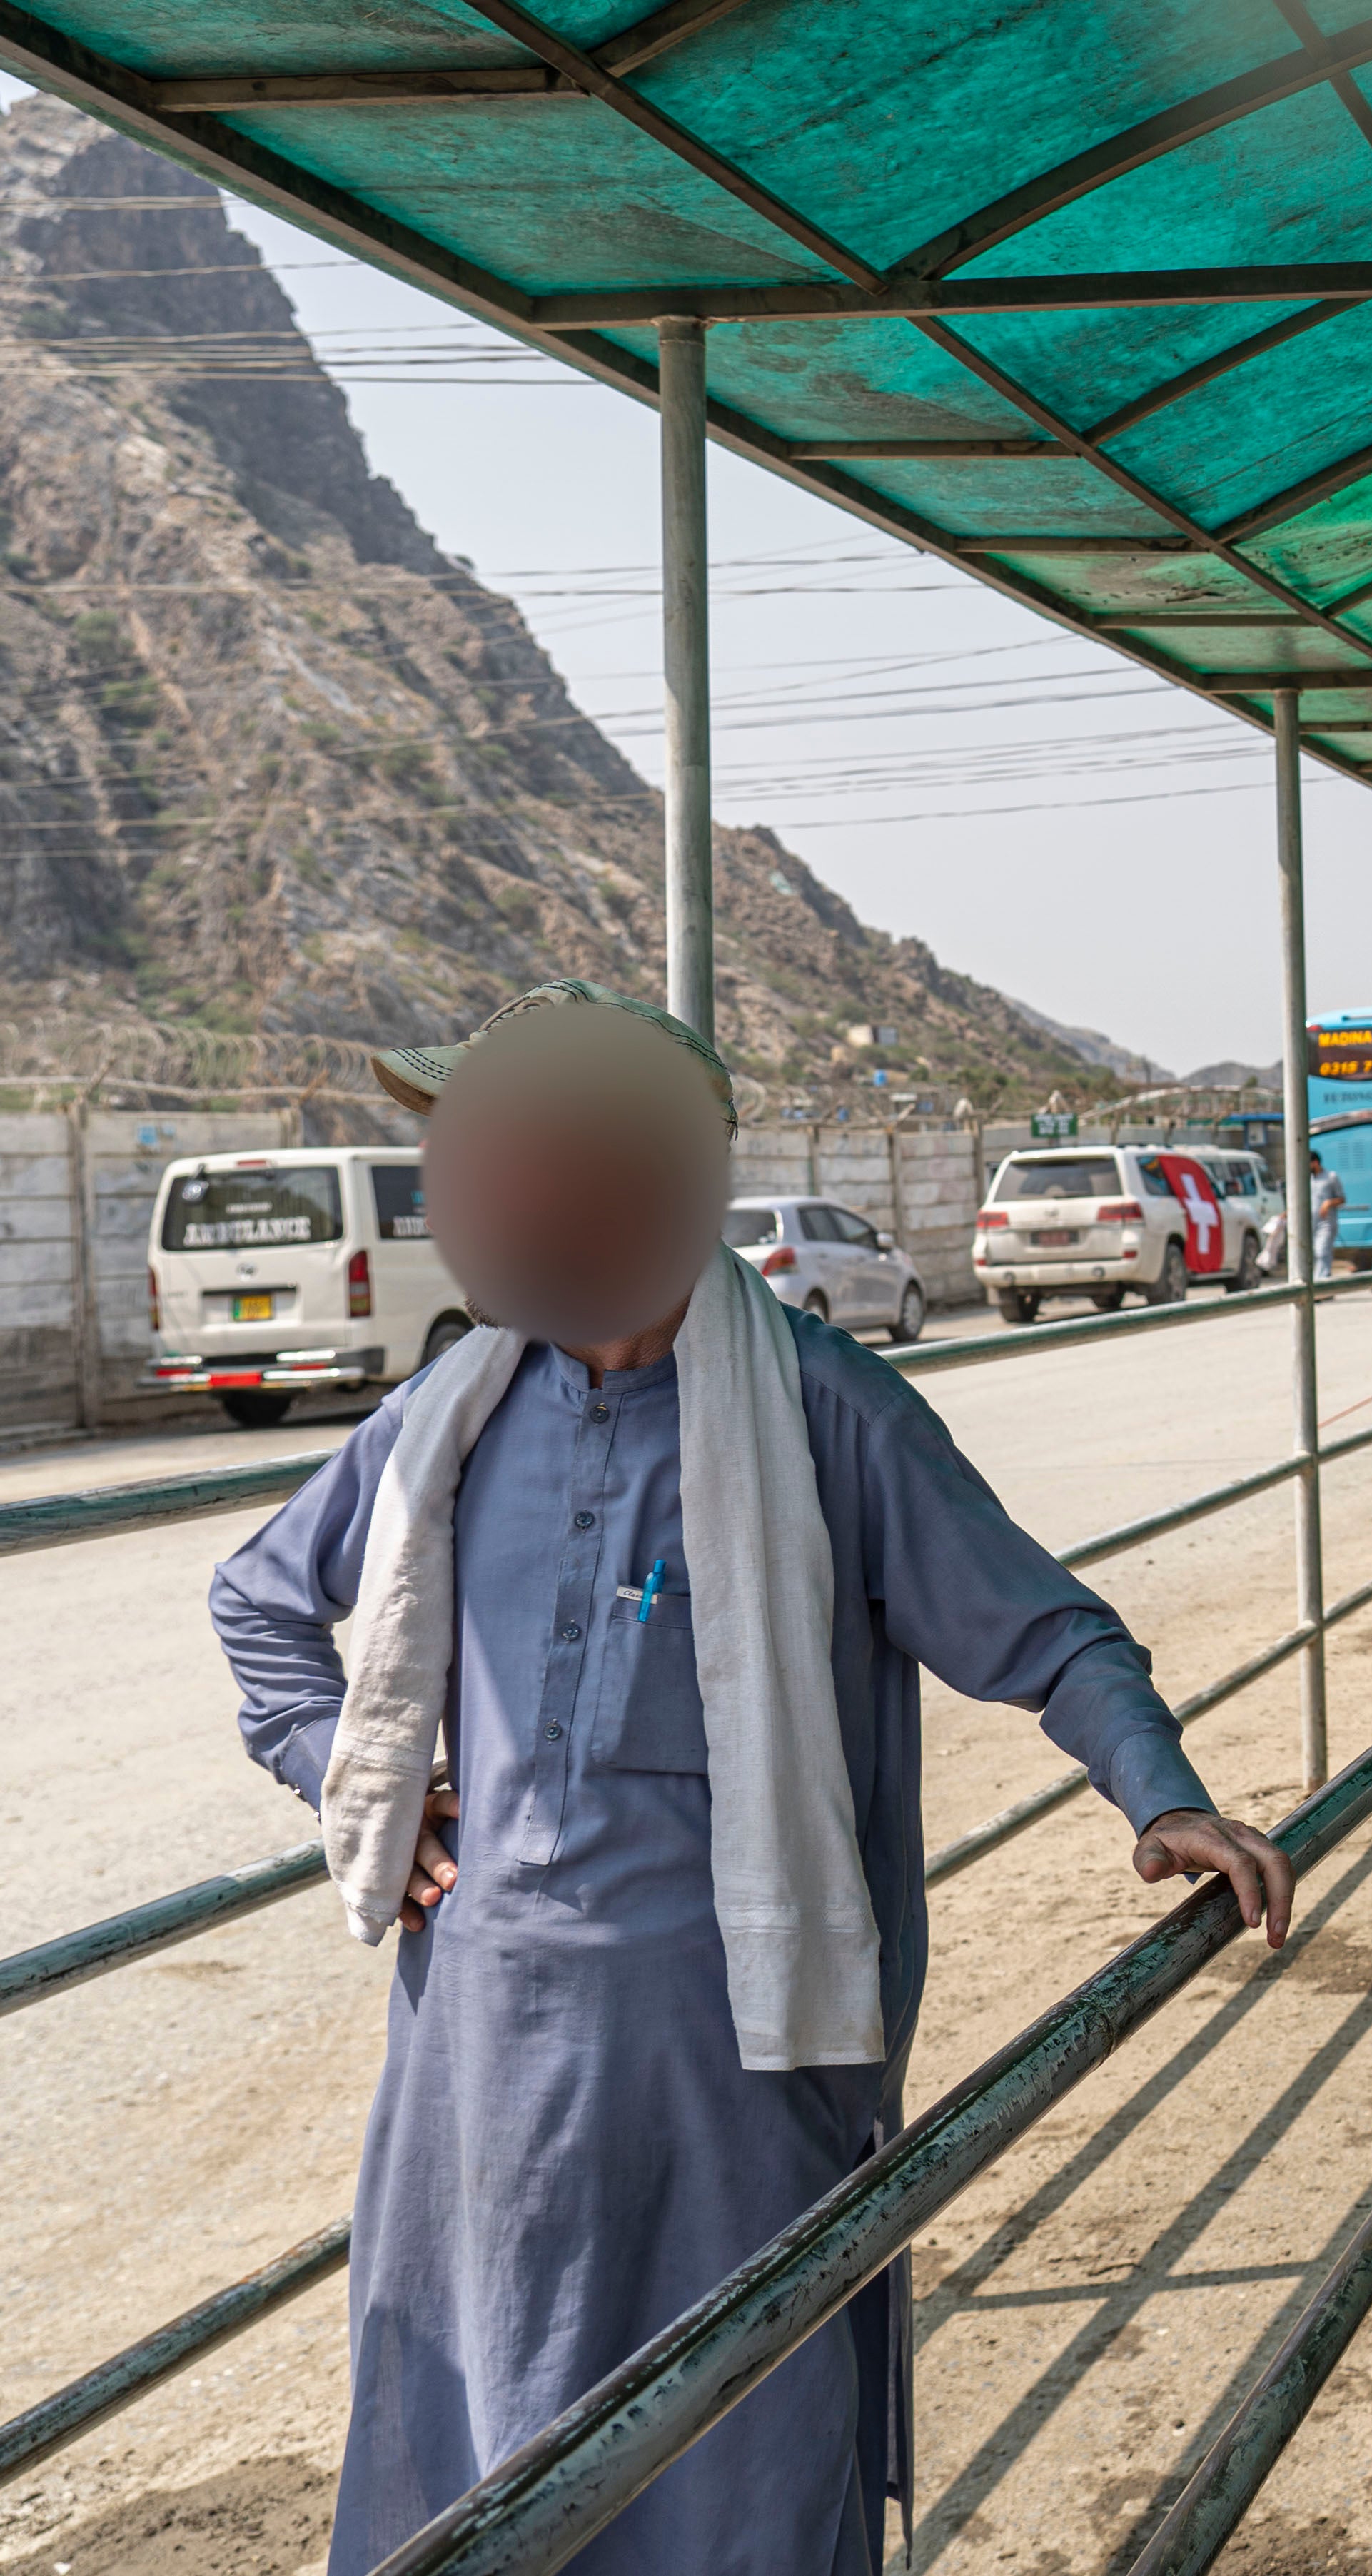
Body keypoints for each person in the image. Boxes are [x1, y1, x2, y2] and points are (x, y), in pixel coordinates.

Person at [208, 981, 1296, 2576]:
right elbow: (256, 1601)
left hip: (738, 2067)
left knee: (745, 2458)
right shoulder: (439, 1419)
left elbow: (1050, 1632)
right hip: (476, 2067)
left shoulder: (824, 1412)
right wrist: (349, 1781)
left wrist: (1163, 1795)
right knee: (468, 2432)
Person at [1306, 1151, 1346, 1279]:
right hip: (1311, 1222)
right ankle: (1325, 1281)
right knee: (1315, 1253)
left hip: (1326, 1222)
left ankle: (1320, 1283)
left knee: (1322, 1251)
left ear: (1315, 1163)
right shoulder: (1309, 1179)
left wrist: (1328, 1203)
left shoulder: (1331, 1177)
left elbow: (1342, 1199)